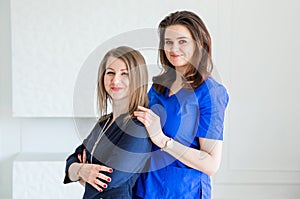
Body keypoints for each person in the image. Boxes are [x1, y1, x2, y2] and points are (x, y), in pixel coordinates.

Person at [133, 11, 229, 199]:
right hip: (145, 189)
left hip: (183, 192)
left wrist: (163, 140)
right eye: (168, 42)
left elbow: (210, 164)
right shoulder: (158, 87)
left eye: (182, 41)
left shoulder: (211, 93)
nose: (173, 48)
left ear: (199, 44)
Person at [64, 46, 152, 199]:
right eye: (110, 72)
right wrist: (81, 170)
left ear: (138, 79)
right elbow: (71, 160)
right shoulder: (104, 122)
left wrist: (80, 172)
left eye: (125, 74)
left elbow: (109, 180)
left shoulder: (138, 127)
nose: (115, 80)